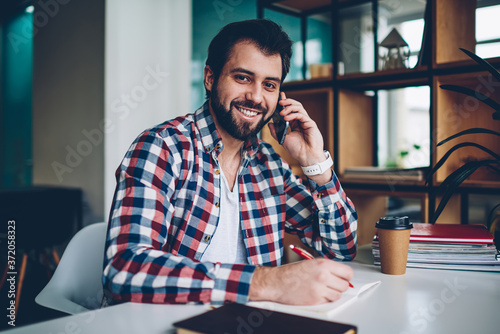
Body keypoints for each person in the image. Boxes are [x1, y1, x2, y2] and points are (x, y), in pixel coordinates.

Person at [103, 19, 357, 307]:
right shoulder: (162, 148)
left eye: (270, 85)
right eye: (243, 78)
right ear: (210, 78)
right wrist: (268, 282)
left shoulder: (270, 166)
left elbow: (340, 249)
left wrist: (316, 165)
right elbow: (124, 271)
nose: (256, 97)